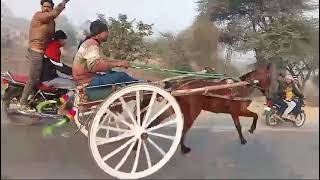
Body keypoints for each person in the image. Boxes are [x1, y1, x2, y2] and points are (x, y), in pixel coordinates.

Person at [18, 0, 71, 112]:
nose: (46, 8)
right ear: (41, 7)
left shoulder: (52, 22)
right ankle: (22, 102)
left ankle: (39, 99)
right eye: (44, 6)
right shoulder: (39, 16)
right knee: (34, 77)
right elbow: (54, 13)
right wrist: (64, 2)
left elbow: (51, 37)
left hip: (43, 52)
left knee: (44, 75)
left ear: (51, 8)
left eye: (48, 7)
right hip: (36, 51)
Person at [73, 20, 138, 87]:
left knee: (111, 73)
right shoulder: (92, 44)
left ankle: (138, 84)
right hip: (86, 81)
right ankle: (140, 87)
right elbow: (94, 66)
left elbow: (100, 61)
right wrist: (118, 64)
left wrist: (120, 62)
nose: (108, 34)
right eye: (106, 32)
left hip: (86, 78)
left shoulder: (90, 42)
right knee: (122, 76)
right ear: (99, 33)